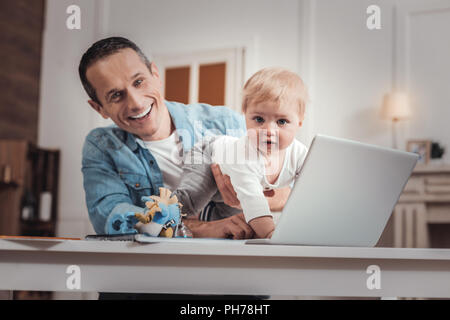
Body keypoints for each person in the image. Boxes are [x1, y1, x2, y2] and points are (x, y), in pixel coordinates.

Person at [78, 37, 287, 299]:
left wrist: (249, 190)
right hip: (146, 285)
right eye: (116, 95)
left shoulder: (224, 123)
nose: (135, 103)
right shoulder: (101, 146)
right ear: (99, 108)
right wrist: (204, 230)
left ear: (155, 74)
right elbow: (113, 221)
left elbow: (287, 191)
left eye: (139, 81)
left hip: (229, 282)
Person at [171, 67, 309, 238]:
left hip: (232, 179)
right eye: (259, 119)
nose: (268, 130)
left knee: (230, 218)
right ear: (245, 116)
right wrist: (271, 235)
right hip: (208, 154)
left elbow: (311, 190)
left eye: (282, 121)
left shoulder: (300, 153)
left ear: (300, 121)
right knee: (192, 200)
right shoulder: (244, 156)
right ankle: (156, 214)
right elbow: (254, 202)